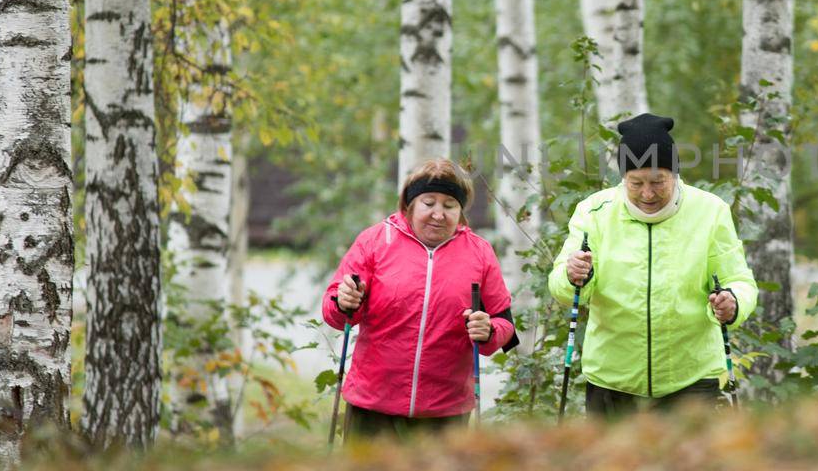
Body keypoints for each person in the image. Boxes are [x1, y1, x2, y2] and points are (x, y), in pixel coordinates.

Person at [549, 113, 758, 416]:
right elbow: (561, 285)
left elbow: (739, 280)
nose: (647, 193)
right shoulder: (594, 212)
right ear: (623, 178)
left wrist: (733, 302)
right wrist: (572, 274)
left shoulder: (710, 212)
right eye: (636, 183)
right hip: (613, 380)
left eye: (658, 181)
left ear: (675, 174)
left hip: (691, 380)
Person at [322, 158, 516, 440]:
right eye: (429, 203)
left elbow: (505, 327)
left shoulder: (479, 253)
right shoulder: (375, 242)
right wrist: (343, 301)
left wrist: (488, 332)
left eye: (449, 205)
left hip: (444, 414)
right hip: (373, 408)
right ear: (410, 205)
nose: (439, 214)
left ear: (460, 212)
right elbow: (334, 313)